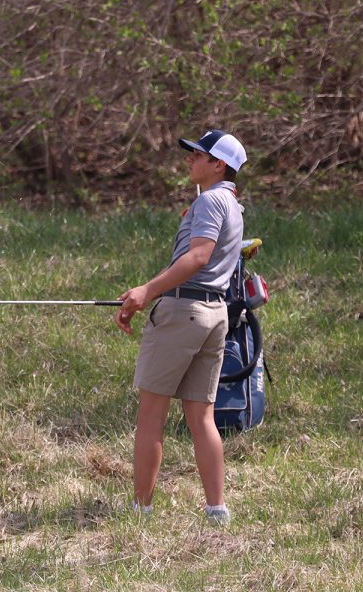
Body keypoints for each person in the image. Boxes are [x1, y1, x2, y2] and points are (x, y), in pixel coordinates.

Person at [115, 129, 246, 525]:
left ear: (218, 164)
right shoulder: (233, 205)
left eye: (197, 154)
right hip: (214, 315)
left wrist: (146, 291)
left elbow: (198, 258)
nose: (190, 159)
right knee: (201, 417)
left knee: (151, 416)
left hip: (184, 311)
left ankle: (141, 512)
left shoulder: (210, 201)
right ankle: (216, 511)